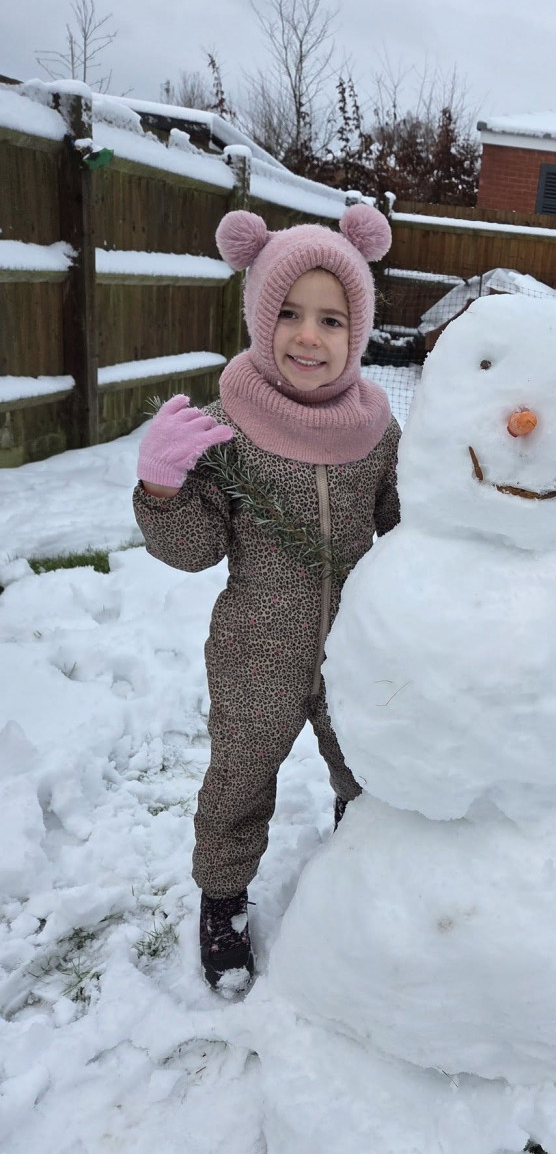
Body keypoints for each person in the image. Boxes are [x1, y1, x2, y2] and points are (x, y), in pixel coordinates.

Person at [133, 206, 400, 993]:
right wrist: (161, 488)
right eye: (287, 313)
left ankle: (366, 867)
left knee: (367, 764)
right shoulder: (230, 428)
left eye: (331, 317)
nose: (308, 336)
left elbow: (408, 526)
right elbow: (194, 548)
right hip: (257, 646)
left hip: (358, 645)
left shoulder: (376, 430)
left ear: (358, 329)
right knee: (241, 773)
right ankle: (222, 895)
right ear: (257, 313)